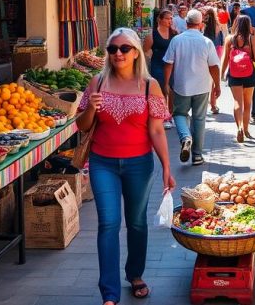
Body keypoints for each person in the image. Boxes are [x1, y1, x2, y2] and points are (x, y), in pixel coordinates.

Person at [77, 28, 175, 305]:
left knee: (136, 223)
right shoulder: (97, 82)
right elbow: (81, 126)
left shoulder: (149, 85)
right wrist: (92, 109)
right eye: (112, 49)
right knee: (108, 223)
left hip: (139, 164)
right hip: (102, 162)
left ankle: (135, 275)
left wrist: (167, 167)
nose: (118, 53)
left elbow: (156, 130)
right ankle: (109, 293)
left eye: (124, 48)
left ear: (135, 53)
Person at [163, 9, 221, 166]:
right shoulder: (206, 42)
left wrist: (166, 83)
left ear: (186, 23)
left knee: (179, 114)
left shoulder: (177, 40)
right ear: (201, 24)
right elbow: (214, 66)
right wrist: (217, 84)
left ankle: (185, 137)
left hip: (181, 86)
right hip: (202, 86)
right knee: (199, 119)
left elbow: (168, 63)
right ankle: (197, 156)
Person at [220, 15, 255, 142]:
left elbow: (225, 58)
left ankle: (238, 127)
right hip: (249, 74)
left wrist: (222, 74)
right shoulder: (251, 39)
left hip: (234, 74)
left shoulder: (229, 39)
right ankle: (246, 129)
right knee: (248, 102)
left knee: (238, 102)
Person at [143, 10, 178, 130]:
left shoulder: (174, 34)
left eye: (171, 18)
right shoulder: (152, 35)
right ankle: (163, 116)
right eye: (168, 18)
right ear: (160, 19)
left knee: (172, 89)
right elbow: (145, 49)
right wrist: (151, 57)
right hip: (158, 64)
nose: (170, 21)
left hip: (172, 65)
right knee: (161, 90)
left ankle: (171, 114)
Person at [202, 7, 223, 114]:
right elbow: (221, 41)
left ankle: (203, 104)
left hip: (204, 52)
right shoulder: (218, 26)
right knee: (214, 79)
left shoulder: (203, 26)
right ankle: (213, 105)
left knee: (204, 79)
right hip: (216, 51)